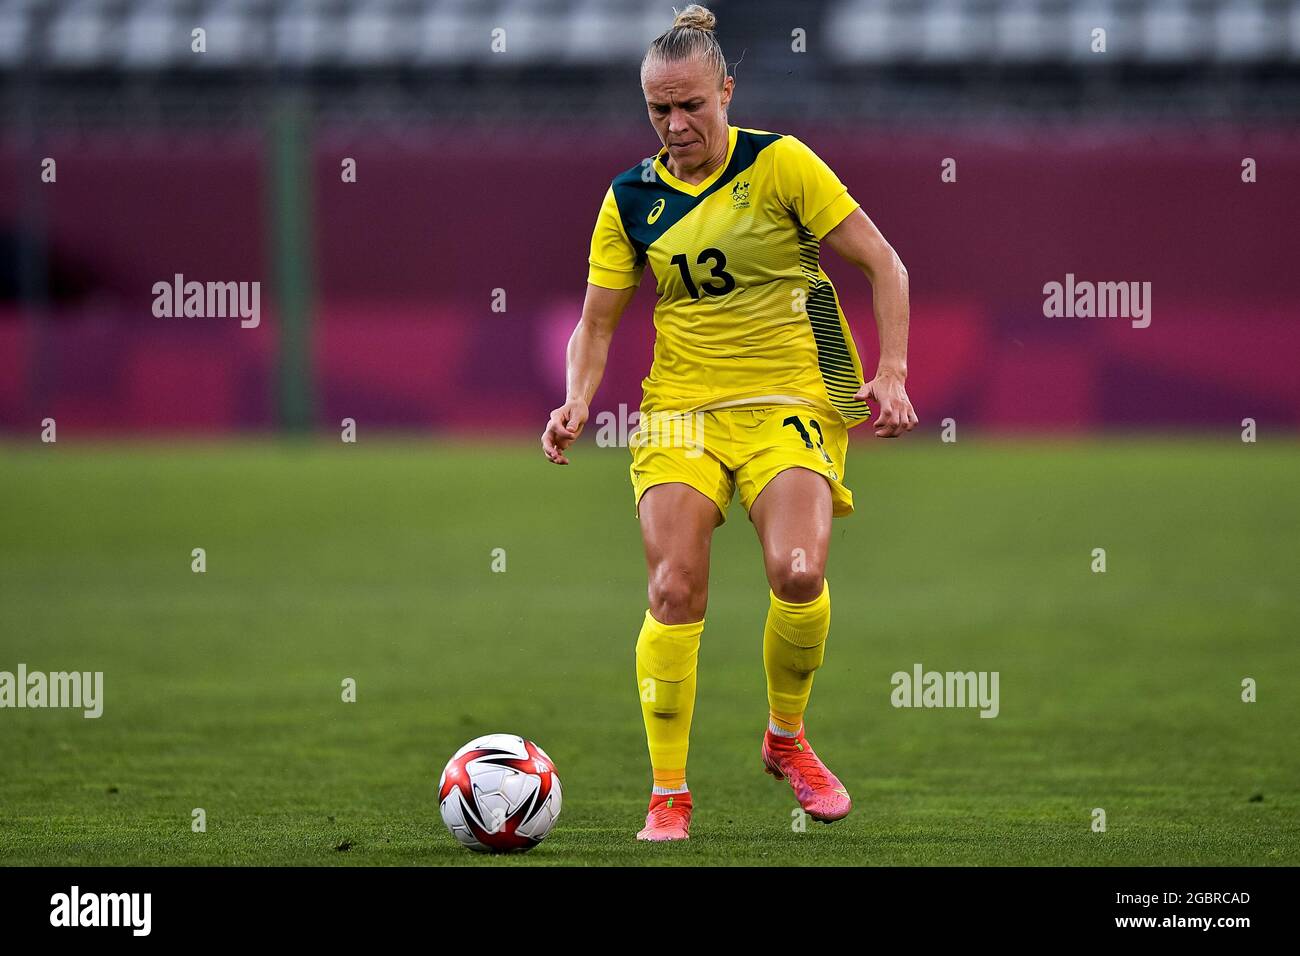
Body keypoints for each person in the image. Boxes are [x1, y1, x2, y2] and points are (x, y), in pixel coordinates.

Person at [541, 4, 916, 842]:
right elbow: (597, 323)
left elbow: (883, 263)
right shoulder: (630, 197)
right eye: (658, 111)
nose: (675, 125)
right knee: (674, 587)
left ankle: (785, 738)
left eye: (691, 107)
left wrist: (889, 373)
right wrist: (576, 399)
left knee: (797, 572)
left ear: (726, 91)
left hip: (791, 401)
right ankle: (668, 795)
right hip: (680, 411)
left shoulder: (781, 165)